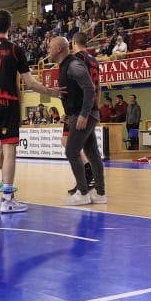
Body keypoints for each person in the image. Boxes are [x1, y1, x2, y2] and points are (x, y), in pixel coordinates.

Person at [0, 11, 50, 213]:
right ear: (10, 25)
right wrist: (51, 92)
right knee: (9, 151)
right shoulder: (16, 50)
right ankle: (7, 200)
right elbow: (29, 83)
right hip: (7, 105)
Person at [48, 36, 105, 205]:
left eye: (50, 47)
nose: (48, 51)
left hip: (83, 116)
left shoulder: (74, 64)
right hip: (81, 114)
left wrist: (83, 114)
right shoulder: (66, 65)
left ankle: (82, 192)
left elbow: (89, 88)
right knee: (93, 154)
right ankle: (101, 194)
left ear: (59, 49)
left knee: (71, 151)